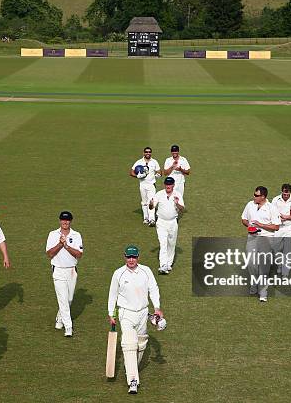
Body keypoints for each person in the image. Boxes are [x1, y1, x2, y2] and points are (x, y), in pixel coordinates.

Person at [108, 245, 163, 395]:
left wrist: (157, 307)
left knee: (141, 344)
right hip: (126, 313)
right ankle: (133, 380)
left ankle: (131, 368)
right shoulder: (118, 274)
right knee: (129, 344)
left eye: (134, 257)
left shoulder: (146, 271)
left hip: (143, 313)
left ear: (138, 257)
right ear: (124, 257)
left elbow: (154, 288)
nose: (131, 260)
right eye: (128, 257)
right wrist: (111, 314)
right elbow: (112, 295)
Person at [45, 211, 83, 337]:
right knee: (63, 300)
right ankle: (68, 327)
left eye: (67, 220)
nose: (65, 222)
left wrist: (66, 246)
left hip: (72, 270)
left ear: (71, 221)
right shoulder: (52, 234)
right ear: (60, 221)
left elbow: (79, 254)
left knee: (69, 299)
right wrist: (60, 244)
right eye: (63, 220)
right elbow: (50, 254)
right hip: (58, 270)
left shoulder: (76, 235)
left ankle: (59, 318)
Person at [241, 186, 280, 302]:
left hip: (266, 239)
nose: (254, 197)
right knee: (251, 263)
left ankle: (263, 292)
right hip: (252, 237)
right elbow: (243, 219)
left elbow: (276, 226)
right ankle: (254, 283)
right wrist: (249, 226)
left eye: (256, 195)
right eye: (254, 194)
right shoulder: (250, 205)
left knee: (264, 266)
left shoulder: (271, 208)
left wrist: (261, 225)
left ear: (263, 197)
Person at [149, 177, 185, 274]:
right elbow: (152, 207)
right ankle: (163, 265)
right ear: (164, 185)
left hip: (173, 222)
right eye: (166, 184)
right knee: (163, 244)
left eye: (170, 184)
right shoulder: (159, 194)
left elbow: (182, 209)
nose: (168, 186)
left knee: (171, 244)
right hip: (161, 222)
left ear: (173, 185)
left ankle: (169, 264)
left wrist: (177, 203)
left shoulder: (177, 194)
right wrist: (151, 204)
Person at [270, 183, 291, 277]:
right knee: (275, 248)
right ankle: (279, 265)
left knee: (287, 250)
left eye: (287, 194)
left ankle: (285, 273)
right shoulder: (275, 200)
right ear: (282, 191)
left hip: (289, 228)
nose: (286, 196)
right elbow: (271, 213)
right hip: (278, 227)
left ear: (290, 192)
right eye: (284, 194)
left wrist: (286, 217)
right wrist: (279, 218)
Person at [130, 147, 161, 226]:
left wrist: (158, 175)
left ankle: (152, 219)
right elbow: (131, 172)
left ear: (151, 153)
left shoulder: (154, 162)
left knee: (151, 202)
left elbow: (159, 171)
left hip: (151, 185)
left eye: (149, 152)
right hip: (142, 185)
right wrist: (137, 176)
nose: (148, 153)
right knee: (144, 203)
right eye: (146, 152)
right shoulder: (139, 162)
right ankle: (146, 218)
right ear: (143, 153)